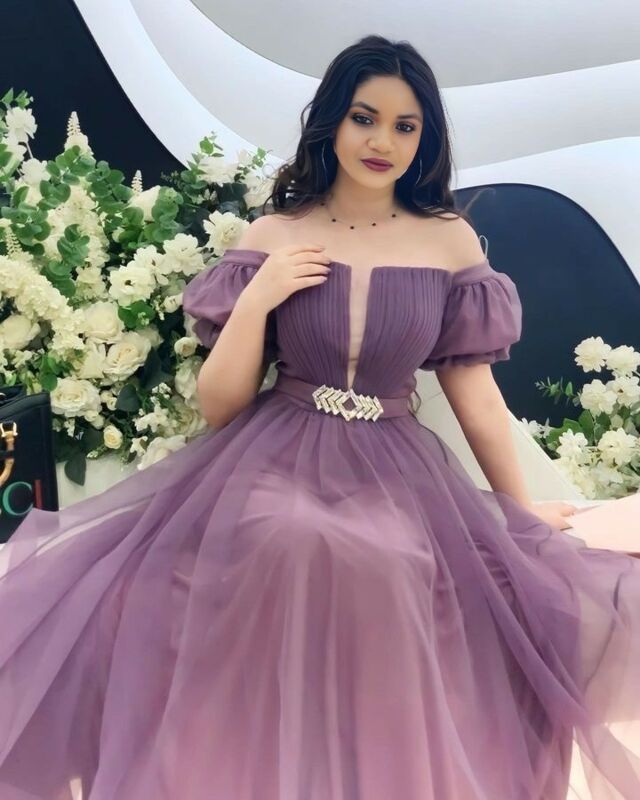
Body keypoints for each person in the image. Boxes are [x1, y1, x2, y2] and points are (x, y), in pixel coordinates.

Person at [1, 33, 639, 800]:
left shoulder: (449, 241)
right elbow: (220, 404)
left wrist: (519, 511)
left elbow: (476, 396)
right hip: (275, 448)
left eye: (405, 126)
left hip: (396, 466)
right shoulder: (276, 234)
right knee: (286, 531)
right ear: (332, 121)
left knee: (389, 558)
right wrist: (261, 295)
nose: (382, 141)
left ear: (425, 139)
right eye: (365, 118)